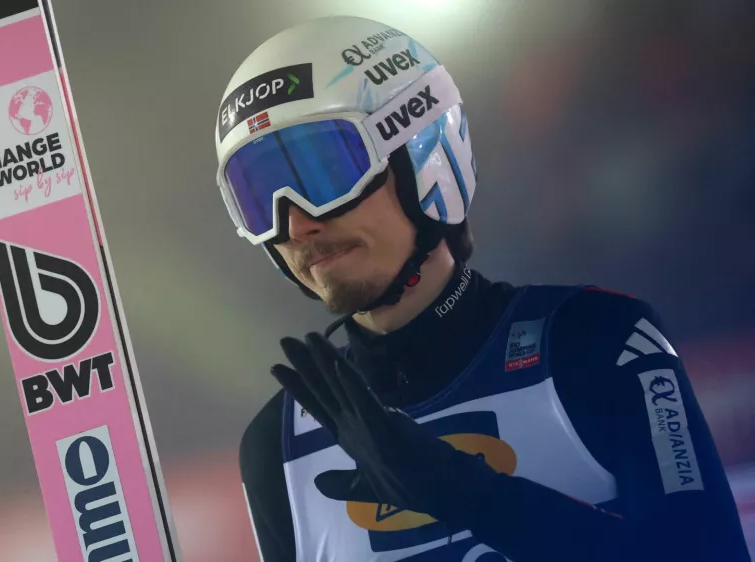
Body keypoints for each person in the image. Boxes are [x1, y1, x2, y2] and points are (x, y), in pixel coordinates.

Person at [211, 14, 751, 562]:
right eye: (259, 198)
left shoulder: (597, 341)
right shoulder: (274, 448)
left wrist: (463, 492)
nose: (297, 225)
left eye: (323, 172)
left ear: (424, 155)